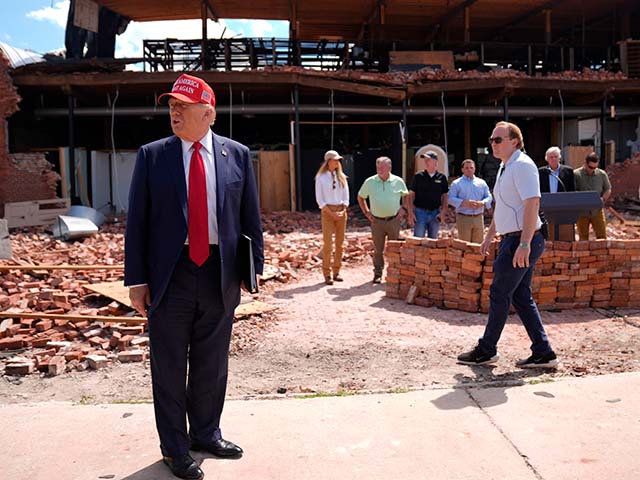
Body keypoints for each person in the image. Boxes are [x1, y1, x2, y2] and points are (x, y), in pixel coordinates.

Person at [125, 74, 264, 480]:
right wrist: (136, 279)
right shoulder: (153, 155)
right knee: (168, 365)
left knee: (212, 362)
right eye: (171, 106)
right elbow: (137, 222)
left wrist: (251, 272)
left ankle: (205, 433)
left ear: (208, 112)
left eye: (182, 107)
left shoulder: (236, 155)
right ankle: (174, 447)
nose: (174, 112)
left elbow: (250, 218)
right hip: (171, 275)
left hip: (220, 272)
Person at [457, 121, 558, 369]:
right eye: (492, 139)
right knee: (521, 296)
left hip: (522, 240)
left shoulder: (522, 166)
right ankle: (543, 352)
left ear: (515, 141)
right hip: (513, 239)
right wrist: (490, 236)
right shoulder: (506, 167)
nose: (493, 143)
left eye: (498, 139)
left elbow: (532, 203)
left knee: (499, 293)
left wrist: (524, 243)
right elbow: (502, 207)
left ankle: (487, 350)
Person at [357, 156, 409, 284]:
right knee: (378, 249)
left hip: (393, 221)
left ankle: (394, 273)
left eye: (382, 167)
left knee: (395, 248)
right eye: (378, 167)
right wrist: (367, 212)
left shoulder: (398, 181)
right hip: (377, 222)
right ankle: (378, 273)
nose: (379, 169)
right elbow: (360, 197)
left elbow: (406, 195)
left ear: (389, 167)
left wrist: (404, 209)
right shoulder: (370, 182)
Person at [315, 150, 349, 285]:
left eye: (338, 160)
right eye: (335, 160)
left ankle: (337, 271)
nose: (337, 162)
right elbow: (320, 200)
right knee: (328, 244)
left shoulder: (341, 176)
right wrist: (331, 213)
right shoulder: (321, 178)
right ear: (328, 161)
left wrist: (343, 209)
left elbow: (346, 195)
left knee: (340, 244)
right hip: (327, 212)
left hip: (341, 211)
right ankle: (326, 273)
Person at [407, 148, 448, 239]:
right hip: (420, 212)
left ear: (435, 161)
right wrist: (410, 213)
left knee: (433, 241)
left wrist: (443, 212)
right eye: (425, 159)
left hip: (435, 213)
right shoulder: (418, 176)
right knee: (418, 240)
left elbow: (445, 196)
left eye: (428, 159)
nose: (426, 161)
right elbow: (410, 195)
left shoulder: (442, 178)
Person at [448, 159, 492, 243]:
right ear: (462, 170)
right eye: (466, 168)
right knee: (465, 246)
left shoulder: (481, 183)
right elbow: (450, 198)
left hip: (478, 217)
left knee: (478, 246)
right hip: (464, 217)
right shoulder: (456, 183)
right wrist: (463, 202)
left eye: (471, 167)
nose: (469, 169)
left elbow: (489, 196)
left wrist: (482, 203)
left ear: (474, 169)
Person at [573, 152, 612, 240]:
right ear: (585, 163)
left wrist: (603, 198)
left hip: (597, 211)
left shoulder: (602, 174)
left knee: (602, 236)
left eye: (595, 167)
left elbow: (608, 188)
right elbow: (573, 191)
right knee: (583, 238)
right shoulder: (576, 174)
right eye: (590, 167)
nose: (592, 170)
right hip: (582, 212)